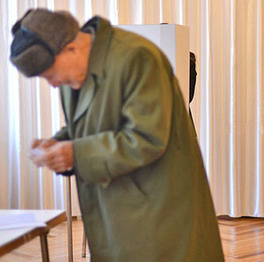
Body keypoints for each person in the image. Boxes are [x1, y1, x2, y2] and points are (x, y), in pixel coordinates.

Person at [10, 8, 224, 261]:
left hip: (158, 215)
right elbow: (90, 126)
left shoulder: (137, 57)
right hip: (114, 211)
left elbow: (147, 138)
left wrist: (75, 154)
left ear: (71, 47)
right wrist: (58, 143)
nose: (53, 84)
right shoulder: (73, 71)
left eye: (50, 74)